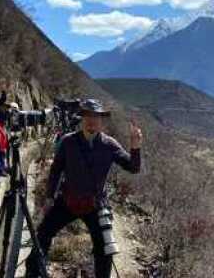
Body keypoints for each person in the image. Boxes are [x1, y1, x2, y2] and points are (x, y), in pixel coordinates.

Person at [25, 99, 143, 278]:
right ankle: (33, 273)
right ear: (82, 118)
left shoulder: (109, 145)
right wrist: (50, 196)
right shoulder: (68, 142)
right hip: (68, 200)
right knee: (43, 233)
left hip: (94, 204)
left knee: (105, 248)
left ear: (101, 120)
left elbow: (133, 167)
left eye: (95, 116)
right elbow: (56, 170)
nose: (91, 120)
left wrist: (135, 145)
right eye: (87, 115)